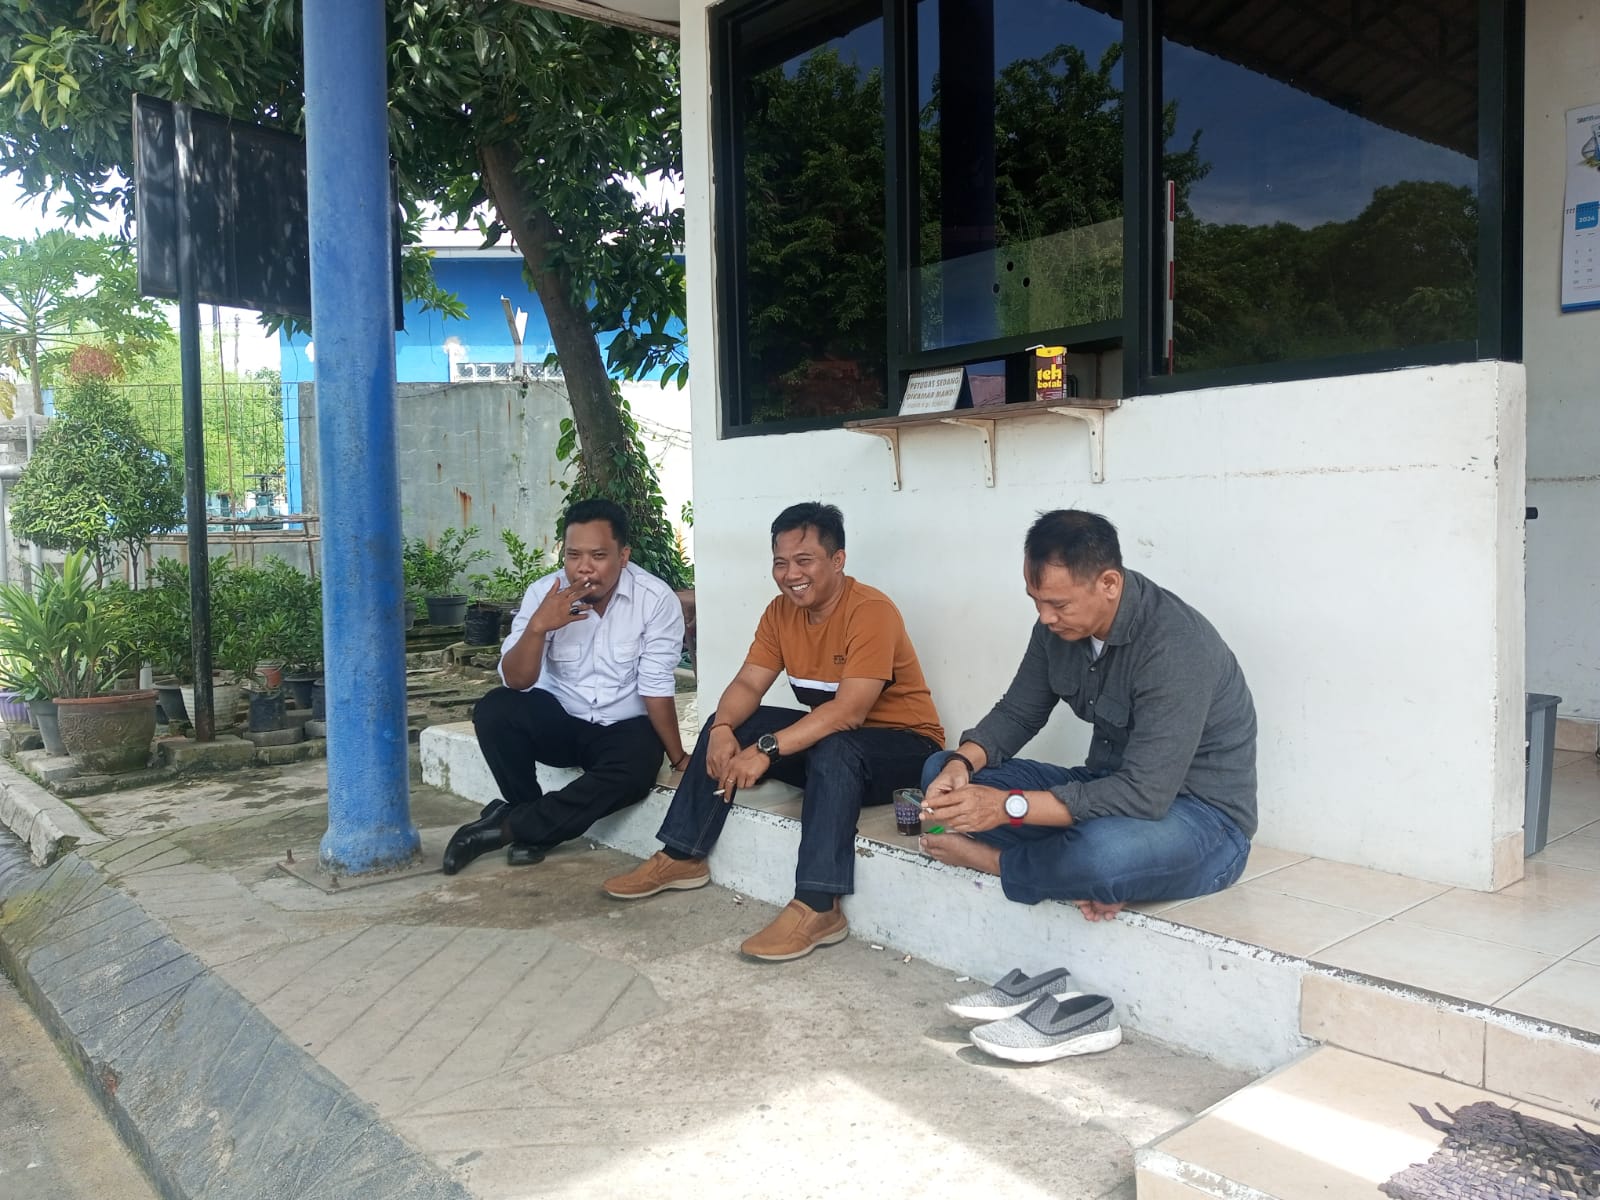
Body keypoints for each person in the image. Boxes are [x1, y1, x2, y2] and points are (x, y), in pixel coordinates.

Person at [602, 502, 945, 961]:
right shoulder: (780, 612)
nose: (790, 574)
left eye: (804, 561)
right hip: (833, 745)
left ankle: (819, 906)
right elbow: (748, 684)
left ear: (837, 560)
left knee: (835, 748)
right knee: (732, 722)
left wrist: (767, 749)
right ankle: (682, 855)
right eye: (780, 563)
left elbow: (849, 712)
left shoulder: (871, 611)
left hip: (905, 748)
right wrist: (724, 727)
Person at [919, 509, 1256, 921]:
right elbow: (1017, 714)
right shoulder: (1056, 630)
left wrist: (1008, 807)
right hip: (1104, 790)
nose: (1045, 617)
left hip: (1201, 821)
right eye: (1035, 600)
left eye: (1058, 604)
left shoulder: (1176, 645)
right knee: (941, 773)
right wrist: (961, 764)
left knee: (1102, 853)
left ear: (1109, 583)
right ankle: (1074, 869)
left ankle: (1000, 862)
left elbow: (1144, 794)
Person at [442, 498, 689, 874]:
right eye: (573, 555)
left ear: (623, 556)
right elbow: (517, 680)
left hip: (621, 729)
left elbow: (655, 685)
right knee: (495, 709)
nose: (584, 567)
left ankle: (511, 827)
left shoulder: (654, 600)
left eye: (598, 555)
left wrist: (679, 757)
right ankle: (527, 812)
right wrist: (539, 627)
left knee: (637, 769)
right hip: (560, 722)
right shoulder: (544, 593)